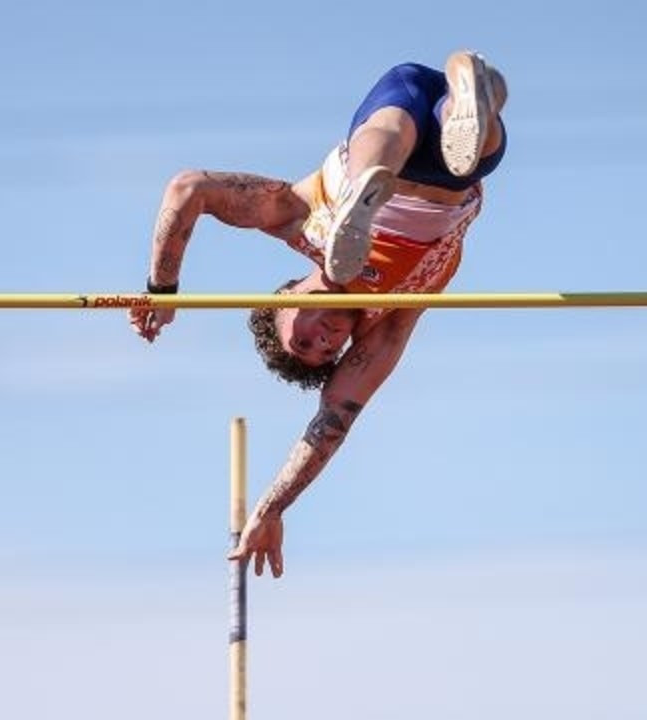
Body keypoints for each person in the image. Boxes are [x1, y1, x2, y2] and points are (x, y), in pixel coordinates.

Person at [128, 50, 508, 578]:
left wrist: (162, 289)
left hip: (390, 120)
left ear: (283, 300)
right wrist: (271, 509)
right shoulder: (391, 317)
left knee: (386, 136)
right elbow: (332, 422)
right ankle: (473, 94)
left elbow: (188, 188)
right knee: (473, 151)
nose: (325, 342)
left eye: (302, 341)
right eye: (329, 352)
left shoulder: (292, 218)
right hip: (449, 174)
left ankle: (365, 191)